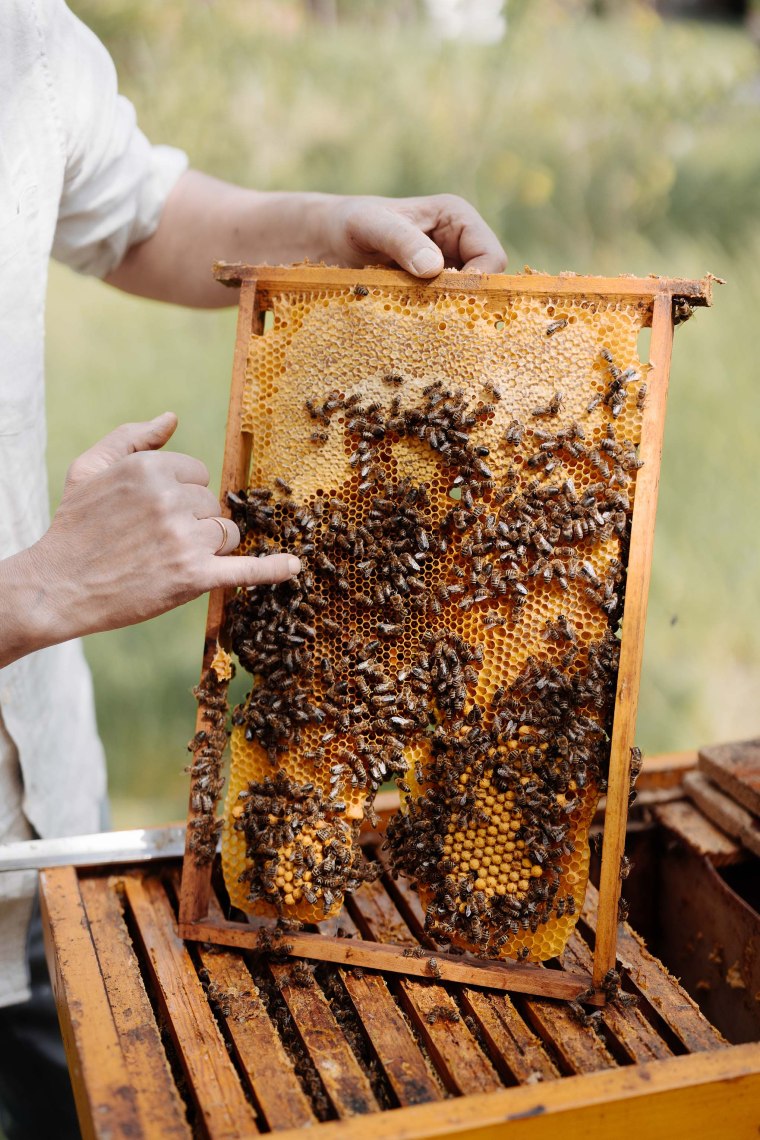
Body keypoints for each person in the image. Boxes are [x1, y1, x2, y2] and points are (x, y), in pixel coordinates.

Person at [0, 1, 507, 1135]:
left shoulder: (19, 36)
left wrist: (328, 228)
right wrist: (35, 592)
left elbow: (134, 214)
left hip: (45, 837)